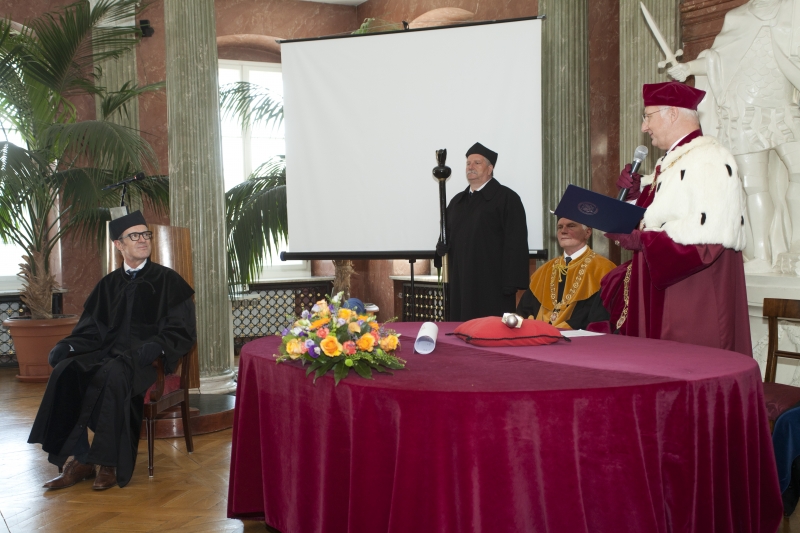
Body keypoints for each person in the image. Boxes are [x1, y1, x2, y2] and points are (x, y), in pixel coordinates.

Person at [28, 211, 197, 490]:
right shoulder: (108, 285)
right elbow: (90, 330)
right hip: (107, 353)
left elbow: (180, 331)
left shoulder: (169, 281)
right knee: (66, 370)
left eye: (146, 235)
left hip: (145, 363)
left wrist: (151, 349)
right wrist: (66, 346)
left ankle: (108, 461)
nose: (143, 240)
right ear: (119, 245)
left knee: (115, 374)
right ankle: (81, 458)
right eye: (135, 236)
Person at [602, 81, 751, 355]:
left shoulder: (709, 159)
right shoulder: (670, 163)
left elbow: (707, 244)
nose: (644, 127)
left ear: (671, 114)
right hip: (670, 288)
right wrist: (635, 197)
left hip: (693, 295)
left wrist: (638, 239)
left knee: (688, 370)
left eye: (647, 117)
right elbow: (657, 221)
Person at [667, 0, 800, 271]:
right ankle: (762, 254)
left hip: (785, 108)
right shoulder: (738, 17)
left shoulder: (794, 9)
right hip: (743, 110)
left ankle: (797, 245)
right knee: (754, 186)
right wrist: (689, 67)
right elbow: (719, 59)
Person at [437, 142, 529, 321]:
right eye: (468, 163)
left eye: (477, 163)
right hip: (461, 282)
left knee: (489, 330)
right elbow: (446, 235)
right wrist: (441, 246)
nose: (470, 167)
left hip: (492, 284)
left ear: (490, 168)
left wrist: (511, 283)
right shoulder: (457, 202)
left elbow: (515, 243)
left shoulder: (507, 199)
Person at [517, 218, 615, 330]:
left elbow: (596, 314)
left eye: (571, 226)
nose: (563, 231)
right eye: (559, 227)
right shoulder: (544, 270)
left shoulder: (603, 268)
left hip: (579, 339)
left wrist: (560, 329)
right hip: (540, 338)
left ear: (587, 232)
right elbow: (525, 309)